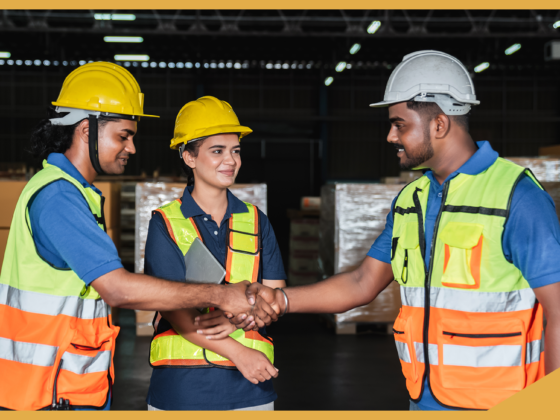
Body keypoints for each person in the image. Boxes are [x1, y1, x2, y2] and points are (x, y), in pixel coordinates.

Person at [198, 50, 560, 411]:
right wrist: (281, 300)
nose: (390, 136)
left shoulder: (516, 198)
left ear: (439, 124)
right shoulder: (411, 201)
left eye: (400, 124)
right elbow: (362, 283)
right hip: (424, 400)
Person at [0, 64, 277, 411]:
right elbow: (118, 289)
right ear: (87, 130)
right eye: (123, 135)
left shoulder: (74, 193)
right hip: (46, 391)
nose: (131, 147)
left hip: (63, 384)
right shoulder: (59, 197)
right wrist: (222, 295)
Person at [144, 96, 287, 411]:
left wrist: (235, 324)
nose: (231, 161)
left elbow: (275, 296)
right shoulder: (165, 222)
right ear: (189, 157)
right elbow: (170, 306)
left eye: (235, 151)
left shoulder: (256, 221)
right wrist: (239, 353)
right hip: (181, 391)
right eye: (217, 151)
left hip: (251, 391)